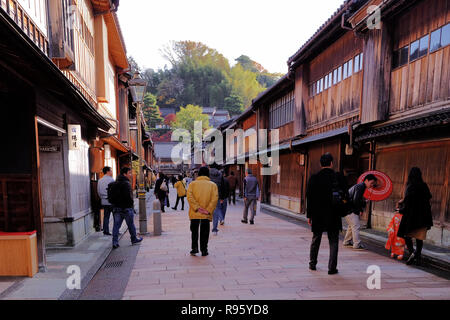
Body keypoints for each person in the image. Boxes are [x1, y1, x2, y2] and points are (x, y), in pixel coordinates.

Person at [306, 153, 348, 275]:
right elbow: (345, 194)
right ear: (331, 163)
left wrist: (309, 215)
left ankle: (312, 264)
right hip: (333, 213)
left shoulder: (314, 178)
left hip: (318, 214)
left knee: (316, 238)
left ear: (320, 164)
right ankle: (332, 268)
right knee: (334, 240)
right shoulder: (338, 177)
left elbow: (309, 197)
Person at [397, 167, 433, 266]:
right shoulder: (424, 185)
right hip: (423, 216)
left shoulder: (410, 186)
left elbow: (408, 202)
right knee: (419, 238)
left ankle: (412, 253)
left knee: (407, 235)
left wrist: (401, 210)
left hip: (412, 216)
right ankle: (418, 257)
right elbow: (429, 198)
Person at [186, 166, 218, 256]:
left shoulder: (192, 184)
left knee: (194, 231)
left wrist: (197, 207)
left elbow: (189, 197)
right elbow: (214, 199)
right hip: (206, 214)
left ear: (198, 174)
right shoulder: (213, 185)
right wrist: (208, 210)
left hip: (195, 212)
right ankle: (204, 250)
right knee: (205, 231)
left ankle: (194, 248)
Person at [109, 167, 143, 249]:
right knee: (130, 224)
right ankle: (134, 239)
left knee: (116, 226)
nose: (130, 175)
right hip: (126, 208)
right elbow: (129, 197)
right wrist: (131, 206)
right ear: (125, 174)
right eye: (129, 173)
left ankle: (115, 242)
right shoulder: (126, 183)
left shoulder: (114, 183)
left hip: (116, 208)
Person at [343, 174, 377, 250]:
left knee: (351, 226)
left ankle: (347, 241)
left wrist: (361, 207)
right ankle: (357, 244)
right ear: (366, 180)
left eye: (373, 184)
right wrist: (364, 203)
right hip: (350, 209)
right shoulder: (361, 187)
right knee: (356, 226)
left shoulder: (359, 186)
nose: (372, 185)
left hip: (347, 208)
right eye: (371, 183)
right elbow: (356, 201)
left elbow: (356, 199)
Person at [209, 164, 229, 235]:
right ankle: (214, 229)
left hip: (208, 195)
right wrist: (222, 197)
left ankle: (205, 227)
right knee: (216, 211)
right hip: (217, 195)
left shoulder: (207, 173)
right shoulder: (220, 174)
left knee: (205, 211)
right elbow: (223, 186)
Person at [97, 167, 115, 236]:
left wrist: (102, 197)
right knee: (115, 216)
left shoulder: (100, 180)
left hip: (104, 201)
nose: (111, 172)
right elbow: (114, 191)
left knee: (106, 216)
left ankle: (105, 231)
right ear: (107, 171)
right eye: (111, 171)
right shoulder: (112, 180)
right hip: (111, 201)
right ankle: (115, 230)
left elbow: (98, 191)